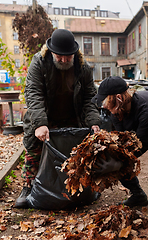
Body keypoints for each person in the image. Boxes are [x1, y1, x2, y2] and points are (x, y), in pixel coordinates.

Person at [15, 29, 101, 208]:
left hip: (71, 116)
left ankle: (77, 188)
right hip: (43, 115)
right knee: (34, 149)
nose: (63, 60)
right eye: (59, 56)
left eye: (67, 56)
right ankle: (29, 187)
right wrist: (40, 124)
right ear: (51, 51)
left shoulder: (83, 67)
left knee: (74, 154)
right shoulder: (39, 63)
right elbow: (33, 93)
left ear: (74, 53)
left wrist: (93, 121)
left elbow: (89, 97)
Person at [92, 76, 148, 233]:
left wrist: (121, 160)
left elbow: (139, 143)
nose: (104, 106)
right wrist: (114, 157)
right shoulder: (117, 110)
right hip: (145, 131)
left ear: (119, 98)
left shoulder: (146, 108)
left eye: (106, 101)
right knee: (118, 158)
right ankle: (138, 195)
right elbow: (122, 141)